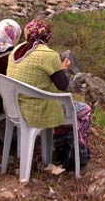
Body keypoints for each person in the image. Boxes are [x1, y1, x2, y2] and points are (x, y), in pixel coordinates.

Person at [7, 18, 92, 167]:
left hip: (15, 107)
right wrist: (63, 68)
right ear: (47, 35)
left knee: (63, 105)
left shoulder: (17, 50)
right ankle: (78, 155)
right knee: (84, 110)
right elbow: (63, 85)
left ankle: (60, 145)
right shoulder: (48, 55)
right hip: (37, 110)